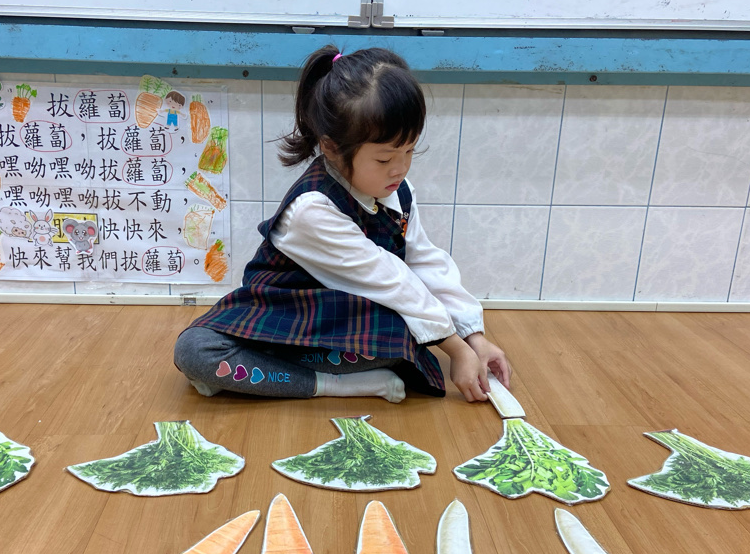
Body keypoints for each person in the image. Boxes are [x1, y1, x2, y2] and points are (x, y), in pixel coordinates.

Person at [174, 45, 511, 403]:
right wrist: (456, 350)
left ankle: (270, 374)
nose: (400, 169)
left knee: (401, 335)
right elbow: (392, 280)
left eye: (409, 151)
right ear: (332, 148)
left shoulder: (400, 192)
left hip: (342, 318)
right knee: (196, 350)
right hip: (283, 311)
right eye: (384, 159)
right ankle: (336, 384)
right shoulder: (311, 210)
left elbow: (424, 263)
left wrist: (474, 338)